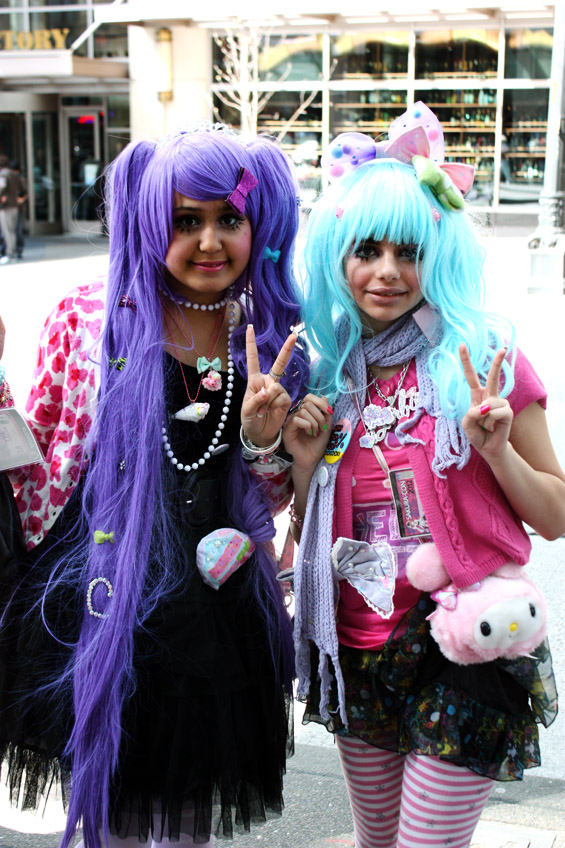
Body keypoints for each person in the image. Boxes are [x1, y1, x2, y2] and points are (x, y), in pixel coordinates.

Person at [0, 125, 309, 848]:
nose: (209, 241)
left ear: (257, 225)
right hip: (99, 595)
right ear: (147, 221)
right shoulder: (92, 315)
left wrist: (265, 437)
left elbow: (268, 500)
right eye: (184, 220)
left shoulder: (272, 338)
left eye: (227, 219)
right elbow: (42, 455)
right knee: (108, 810)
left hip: (213, 607)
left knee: (189, 811)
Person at [283, 103, 565, 848]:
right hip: (353, 643)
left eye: (406, 251)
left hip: (461, 642)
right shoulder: (328, 372)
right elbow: (303, 523)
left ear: (436, 255)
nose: (385, 272)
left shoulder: (484, 360)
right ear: (336, 258)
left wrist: (496, 449)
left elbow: (556, 513)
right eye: (364, 250)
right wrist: (302, 465)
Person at [0, 155, 27, 263]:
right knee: (12, 231)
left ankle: (10, 254)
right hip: (15, 206)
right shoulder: (15, 175)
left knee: (7, 231)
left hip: (6, 206)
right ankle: (13, 252)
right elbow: (23, 190)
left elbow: (1, 187)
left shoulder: (3, 174)